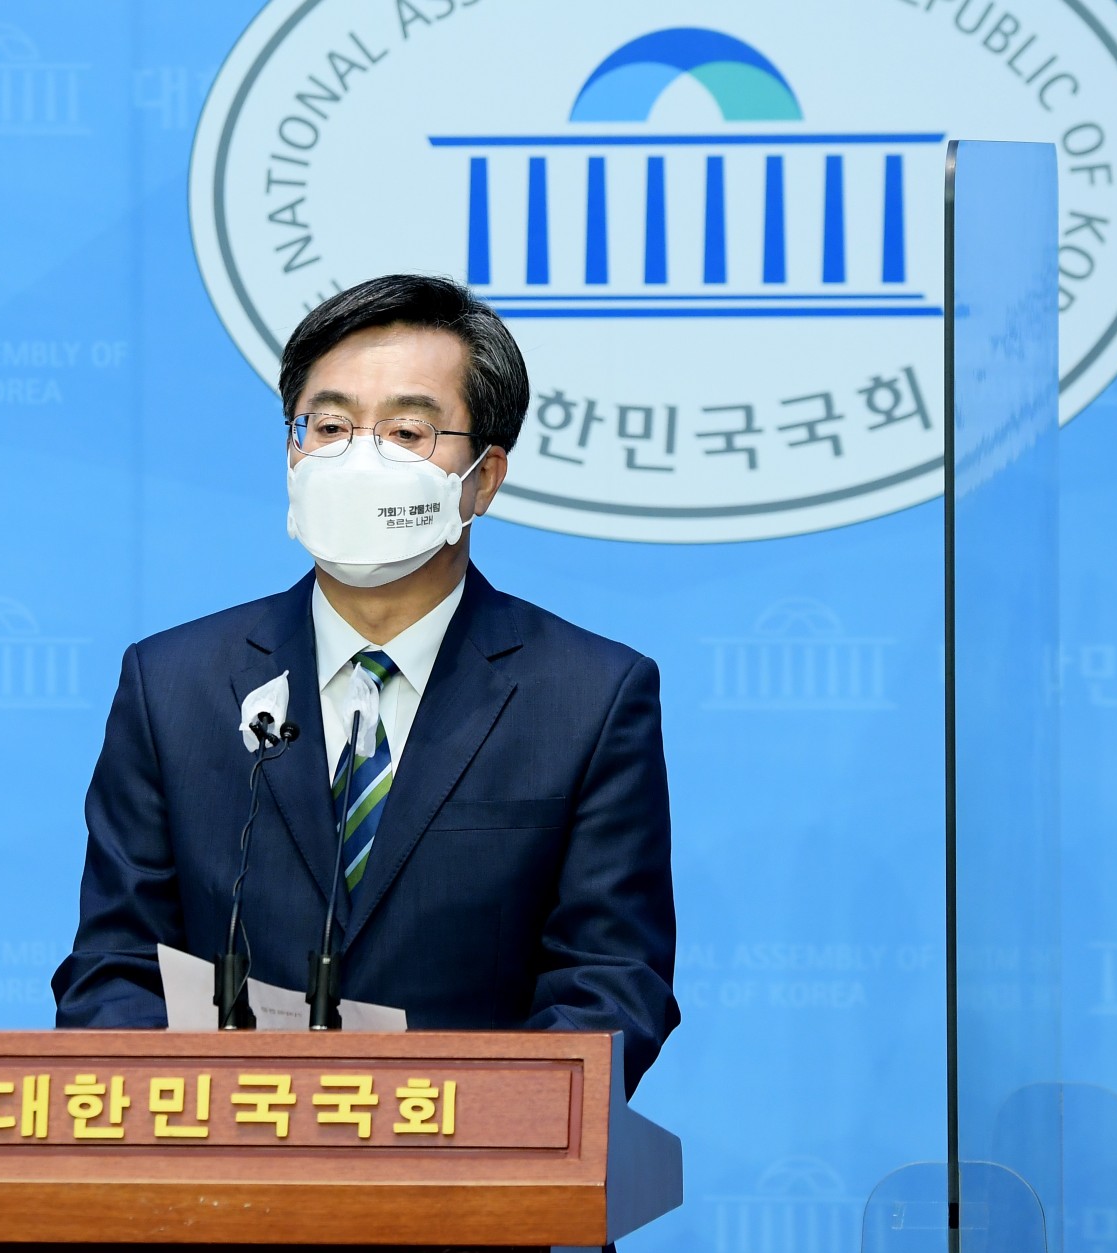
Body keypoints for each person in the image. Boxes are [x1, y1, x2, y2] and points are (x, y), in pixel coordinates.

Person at [52, 274, 679, 1104]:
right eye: (331, 427)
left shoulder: (588, 698)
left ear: (484, 478)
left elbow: (609, 983)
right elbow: (114, 969)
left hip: (466, 1169)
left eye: (407, 431)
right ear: (292, 451)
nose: (358, 459)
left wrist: (478, 1130)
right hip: (221, 1162)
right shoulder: (173, 685)